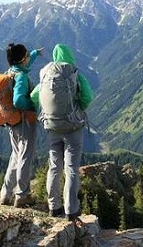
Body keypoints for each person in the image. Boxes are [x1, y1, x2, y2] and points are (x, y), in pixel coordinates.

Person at [31, 43, 93, 223]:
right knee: (71, 169)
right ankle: (71, 211)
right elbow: (88, 97)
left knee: (54, 167)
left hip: (52, 127)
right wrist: (78, 109)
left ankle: (53, 207)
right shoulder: (75, 74)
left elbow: (35, 96)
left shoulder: (47, 75)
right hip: (73, 128)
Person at [0, 42, 43, 208]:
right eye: (26, 56)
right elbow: (18, 99)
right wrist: (31, 103)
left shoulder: (11, 72)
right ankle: (22, 195)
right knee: (25, 156)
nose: (27, 59)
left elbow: (23, 65)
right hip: (25, 120)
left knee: (16, 156)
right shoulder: (22, 77)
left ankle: (5, 194)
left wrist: (34, 54)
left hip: (13, 121)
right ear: (21, 59)